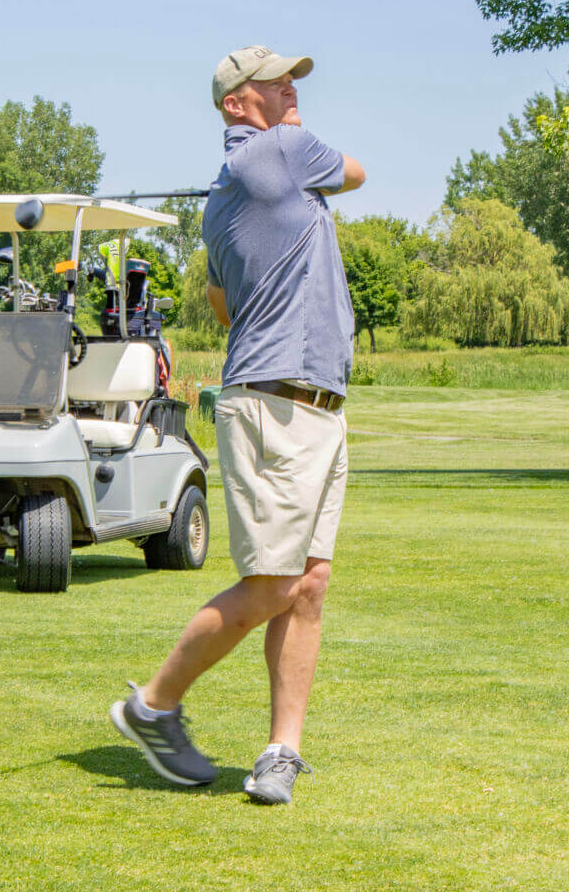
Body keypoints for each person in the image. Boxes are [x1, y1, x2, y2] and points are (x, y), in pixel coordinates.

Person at [109, 45, 365, 804]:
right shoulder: (285, 151)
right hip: (278, 405)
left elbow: (223, 305)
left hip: (316, 403)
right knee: (271, 585)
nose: (292, 89)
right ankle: (152, 706)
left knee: (308, 585)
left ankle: (281, 751)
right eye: (275, 82)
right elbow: (357, 173)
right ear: (235, 103)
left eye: (291, 80)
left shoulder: (222, 204)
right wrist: (299, 187)